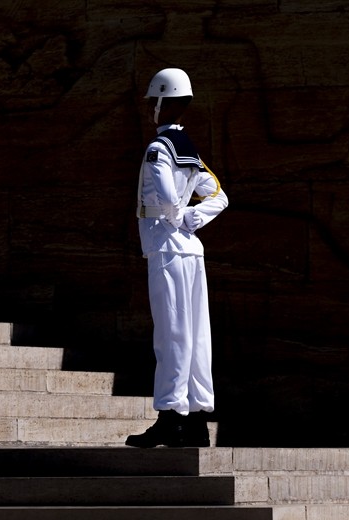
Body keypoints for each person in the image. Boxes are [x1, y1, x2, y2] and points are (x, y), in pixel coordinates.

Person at [125, 67, 228, 448]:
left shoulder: (158, 149)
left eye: (154, 100)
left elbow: (167, 198)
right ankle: (198, 417)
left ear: (164, 102)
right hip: (190, 248)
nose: (151, 107)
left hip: (166, 247)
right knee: (197, 335)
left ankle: (170, 417)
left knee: (171, 335)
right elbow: (219, 194)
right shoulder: (189, 149)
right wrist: (193, 219)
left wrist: (177, 216)